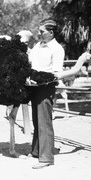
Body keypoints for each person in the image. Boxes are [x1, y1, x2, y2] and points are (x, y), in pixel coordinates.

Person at [27, 18, 65, 169]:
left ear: (51, 32)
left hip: (45, 87)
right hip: (34, 86)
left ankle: (46, 157)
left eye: (42, 31)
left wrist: (39, 81)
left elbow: (55, 73)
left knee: (44, 121)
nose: (39, 33)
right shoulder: (38, 45)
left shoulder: (57, 49)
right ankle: (36, 151)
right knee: (37, 120)